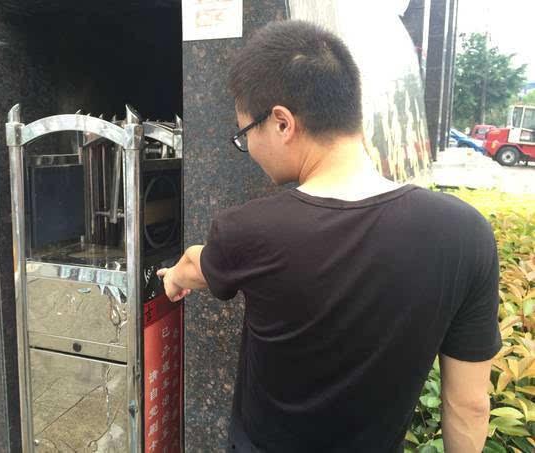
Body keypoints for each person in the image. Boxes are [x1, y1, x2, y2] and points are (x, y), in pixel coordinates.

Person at [157, 20, 500, 453]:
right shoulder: (465, 234)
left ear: (282, 123)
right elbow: (469, 405)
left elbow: (196, 264)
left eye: (245, 134)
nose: (249, 149)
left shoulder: (249, 230)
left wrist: (172, 279)